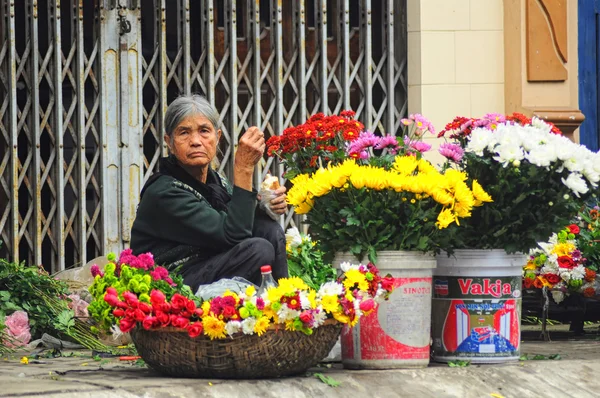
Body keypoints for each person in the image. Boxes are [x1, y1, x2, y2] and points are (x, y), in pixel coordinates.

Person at [130, 94, 289, 292]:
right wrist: (243, 169)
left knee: (269, 229)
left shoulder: (214, 181)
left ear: (218, 137)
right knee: (258, 250)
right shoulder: (164, 192)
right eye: (184, 133)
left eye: (204, 131)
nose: (196, 141)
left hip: (207, 265)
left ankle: (286, 301)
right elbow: (235, 235)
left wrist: (266, 205)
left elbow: (242, 220)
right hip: (171, 284)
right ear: (169, 142)